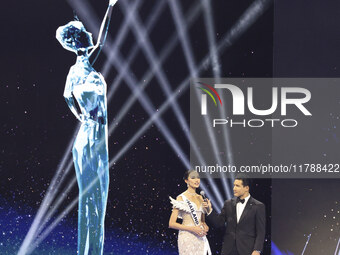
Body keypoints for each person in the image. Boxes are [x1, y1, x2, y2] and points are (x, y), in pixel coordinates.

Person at [55, 0, 118, 254]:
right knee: (93, 199)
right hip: (91, 137)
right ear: (79, 39)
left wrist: (79, 114)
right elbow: (102, 39)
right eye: (85, 32)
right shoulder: (80, 66)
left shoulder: (80, 68)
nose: (90, 33)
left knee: (96, 200)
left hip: (94, 135)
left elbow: (67, 97)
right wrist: (111, 6)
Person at [203, 175, 266, 255]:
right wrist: (209, 210)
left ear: (246, 188)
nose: (234, 188)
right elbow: (219, 223)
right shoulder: (228, 204)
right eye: (234, 185)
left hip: (247, 250)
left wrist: (257, 250)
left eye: (237, 186)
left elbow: (260, 232)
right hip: (228, 250)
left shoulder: (258, 206)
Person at [169, 170, 211, 255]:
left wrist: (205, 226)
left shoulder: (201, 197)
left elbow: (202, 221)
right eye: (193, 177)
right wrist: (192, 229)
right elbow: (171, 224)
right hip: (187, 237)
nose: (197, 180)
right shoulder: (181, 198)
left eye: (198, 177)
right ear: (186, 181)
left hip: (200, 237)